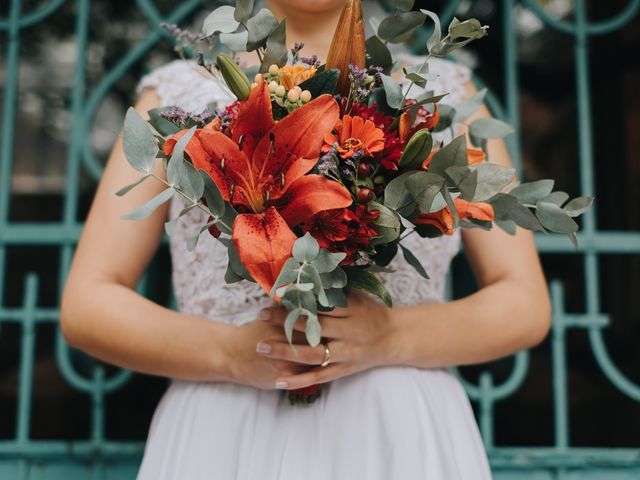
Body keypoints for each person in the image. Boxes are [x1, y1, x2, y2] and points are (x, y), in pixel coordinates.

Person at [60, 0, 551, 478]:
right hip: (224, 426)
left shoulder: (445, 99)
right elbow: (89, 303)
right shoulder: (176, 103)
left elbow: (523, 302)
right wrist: (229, 353)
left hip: (396, 428)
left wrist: (393, 336)